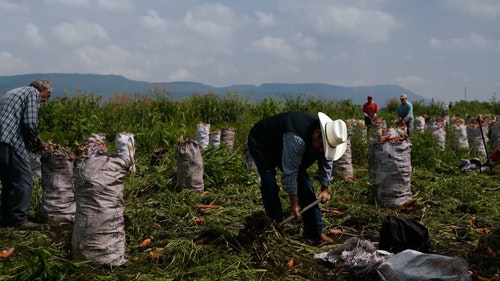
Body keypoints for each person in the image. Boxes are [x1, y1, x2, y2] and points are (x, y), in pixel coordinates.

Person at [247, 112, 348, 243]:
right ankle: (277, 230)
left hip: (285, 144)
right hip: (264, 144)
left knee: (306, 187)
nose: (322, 151)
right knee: (269, 185)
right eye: (323, 146)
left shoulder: (326, 139)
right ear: (317, 133)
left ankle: (315, 232)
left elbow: (326, 164)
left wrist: (325, 189)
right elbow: (290, 173)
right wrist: (294, 205)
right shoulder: (296, 139)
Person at [0, 78, 52, 229]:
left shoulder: (15, 91)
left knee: (9, 181)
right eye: (46, 97)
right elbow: (29, 122)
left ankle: (6, 217)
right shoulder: (32, 93)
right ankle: (20, 220)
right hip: (10, 139)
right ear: (42, 90)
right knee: (24, 180)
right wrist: (36, 142)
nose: (44, 101)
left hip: (2, 140)